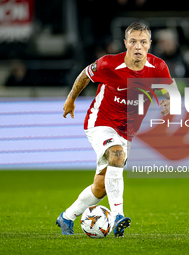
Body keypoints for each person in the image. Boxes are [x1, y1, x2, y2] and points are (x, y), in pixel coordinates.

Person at [57, 22, 178, 237]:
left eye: (143, 42)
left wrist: (170, 102)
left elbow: (171, 91)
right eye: (133, 42)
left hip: (127, 132)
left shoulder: (158, 67)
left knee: (101, 186)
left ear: (150, 44)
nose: (138, 47)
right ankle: (118, 216)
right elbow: (85, 74)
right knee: (117, 154)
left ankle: (66, 217)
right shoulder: (108, 64)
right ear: (126, 43)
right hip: (100, 122)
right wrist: (71, 99)